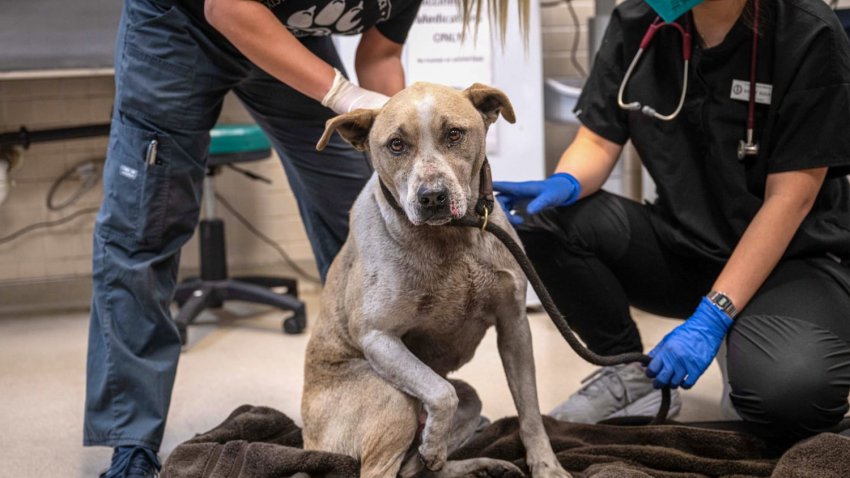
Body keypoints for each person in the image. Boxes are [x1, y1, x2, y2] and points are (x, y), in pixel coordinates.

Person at [85, 1, 531, 476]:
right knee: (145, 224)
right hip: (181, 29)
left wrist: (406, 136)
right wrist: (339, 93)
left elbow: (378, 60)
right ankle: (130, 442)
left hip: (289, 35)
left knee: (359, 203)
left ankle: (393, 409)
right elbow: (224, 7)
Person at [494, 0, 850, 443]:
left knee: (792, 396)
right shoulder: (640, 22)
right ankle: (630, 377)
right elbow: (599, 140)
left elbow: (790, 200)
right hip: (685, 245)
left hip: (791, 262)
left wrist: (713, 317)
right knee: (541, 220)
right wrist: (565, 182)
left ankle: (744, 330)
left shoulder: (806, 31)